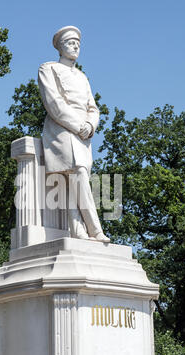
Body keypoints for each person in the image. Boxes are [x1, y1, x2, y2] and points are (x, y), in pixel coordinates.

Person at [38, 26, 110, 243]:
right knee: (77, 175)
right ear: (60, 48)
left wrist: (90, 124)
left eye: (78, 44)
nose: (76, 46)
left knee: (74, 182)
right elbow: (54, 103)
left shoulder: (82, 76)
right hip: (62, 130)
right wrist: (78, 125)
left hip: (83, 134)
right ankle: (95, 229)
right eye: (70, 43)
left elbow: (93, 107)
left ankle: (77, 231)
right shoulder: (48, 68)